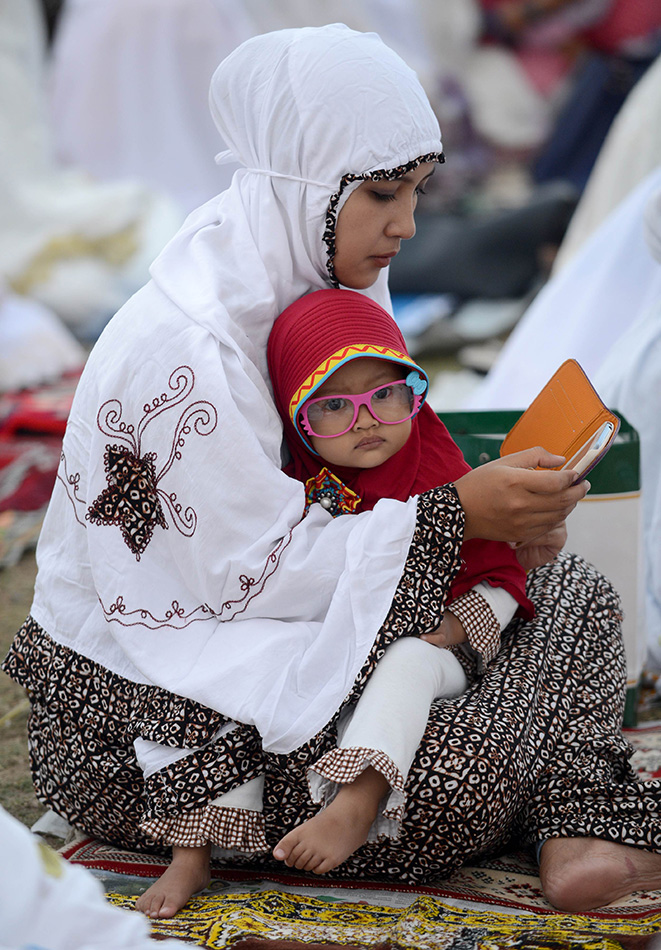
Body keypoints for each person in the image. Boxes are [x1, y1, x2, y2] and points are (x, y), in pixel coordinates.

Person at [3, 24, 660, 924]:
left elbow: (373, 487)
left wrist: (489, 523)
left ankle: (566, 821)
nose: (407, 225)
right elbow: (238, 582)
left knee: (567, 592)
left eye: (419, 192)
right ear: (300, 185)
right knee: (459, 767)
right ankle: (569, 814)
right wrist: (453, 520)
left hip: (300, 687)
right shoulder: (190, 349)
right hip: (160, 743)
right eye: (381, 193)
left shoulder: (300, 278)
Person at [265, 286, 533, 872]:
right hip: (339, 646)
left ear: (414, 392)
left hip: (435, 647)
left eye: (387, 394)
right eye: (333, 406)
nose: (366, 420)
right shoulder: (294, 488)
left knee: (407, 661)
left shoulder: (441, 474)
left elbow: (504, 571)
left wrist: (466, 622)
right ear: (295, 417)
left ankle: (358, 802)